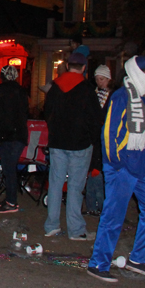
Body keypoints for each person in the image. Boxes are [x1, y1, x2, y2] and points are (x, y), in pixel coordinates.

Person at [87, 56, 145, 282]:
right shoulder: (122, 97)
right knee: (113, 215)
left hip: (142, 168)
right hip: (122, 167)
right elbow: (109, 133)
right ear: (137, 74)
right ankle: (99, 263)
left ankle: (140, 258)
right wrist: (115, 165)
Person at [42, 52, 102, 240]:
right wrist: (93, 140)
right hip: (80, 144)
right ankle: (76, 229)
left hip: (58, 143)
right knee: (75, 186)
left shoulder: (55, 87)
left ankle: (52, 225)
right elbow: (95, 119)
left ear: (68, 66)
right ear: (84, 68)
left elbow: (46, 112)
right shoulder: (87, 89)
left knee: (55, 184)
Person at [0, 65, 28, 213]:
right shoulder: (21, 91)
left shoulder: (0, 91)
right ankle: (10, 198)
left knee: (8, 169)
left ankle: (12, 202)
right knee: (9, 168)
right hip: (19, 134)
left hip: (7, 135)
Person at [84, 64, 114, 216]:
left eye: (102, 79)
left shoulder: (112, 96)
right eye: (97, 79)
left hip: (105, 136)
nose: (99, 82)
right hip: (94, 136)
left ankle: (101, 205)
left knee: (99, 171)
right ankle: (92, 205)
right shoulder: (95, 93)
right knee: (93, 171)